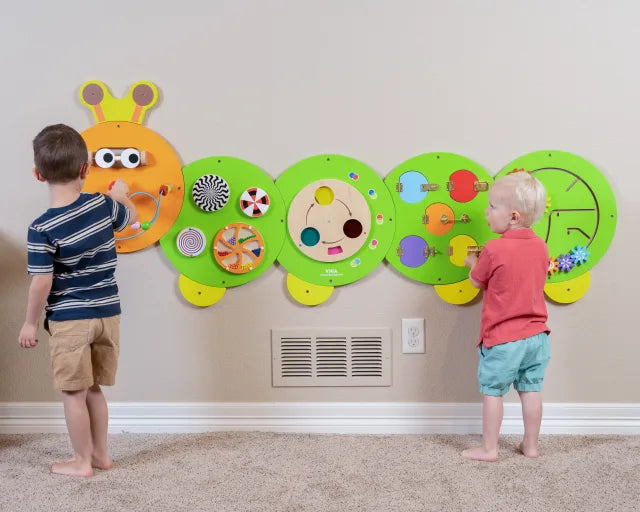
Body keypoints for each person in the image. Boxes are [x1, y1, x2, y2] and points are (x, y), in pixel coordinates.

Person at [18, 124, 138, 477]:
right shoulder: (104, 205)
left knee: (74, 393)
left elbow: (41, 281)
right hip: (108, 313)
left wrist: (28, 322)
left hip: (71, 319)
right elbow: (131, 217)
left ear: (38, 175)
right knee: (94, 388)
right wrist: (122, 193)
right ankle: (101, 454)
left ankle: (82, 462)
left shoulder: (41, 228)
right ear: (86, 168)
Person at [462, 171, 550, 462]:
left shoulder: (493, 248)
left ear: (512, 216)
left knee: (493, 392)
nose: (486, 212)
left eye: (491, 207)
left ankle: (489, 449)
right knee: (531, 390)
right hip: (537, 337)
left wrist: (472, 262)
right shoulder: (541, 246)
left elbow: (476, 280)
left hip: (503, 339)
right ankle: (531, 446)